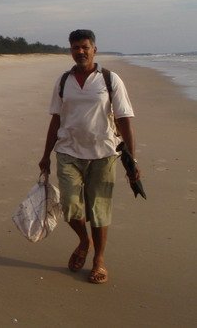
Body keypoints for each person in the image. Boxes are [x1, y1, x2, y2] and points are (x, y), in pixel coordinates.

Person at [39, 29, 140, 284]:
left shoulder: (109, 79)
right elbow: (56, 119)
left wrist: (132, 159)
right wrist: (45, 155)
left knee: (99, 211)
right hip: (67, 152)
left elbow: (124, 119)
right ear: (70, 50)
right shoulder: (64, 81)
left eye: (85, 47)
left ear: (94, 48)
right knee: (70, 208)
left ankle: (99, 260)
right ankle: (84, 241)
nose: (80, 52)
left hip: (103, 154)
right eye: (75, 47)